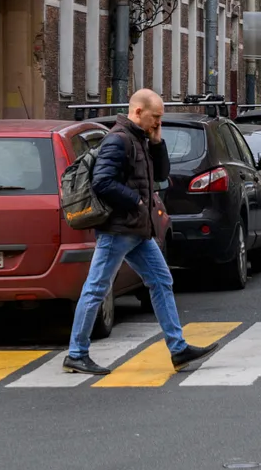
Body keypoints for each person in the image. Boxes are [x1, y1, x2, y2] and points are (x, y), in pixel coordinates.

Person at [63, 89, 216, 375]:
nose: (158, 122)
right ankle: (76, 353)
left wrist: (157, 143)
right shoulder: (118, 140)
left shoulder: (140, 139)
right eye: (155, 117)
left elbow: (160, 175)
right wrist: (135, 201)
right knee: (96, 288)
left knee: (161, 280)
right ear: (137, 112)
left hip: (136, 230)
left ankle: (178, 349)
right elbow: (102, 182)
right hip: (118, 231)